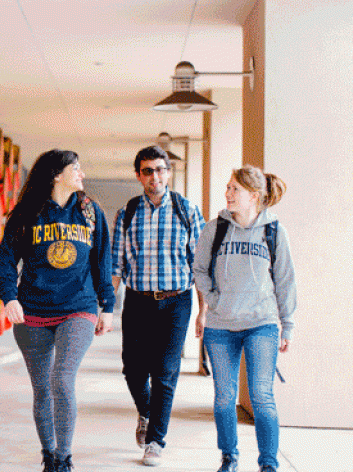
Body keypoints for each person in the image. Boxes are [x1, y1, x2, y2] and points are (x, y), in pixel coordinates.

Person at [0, 149, 116, 472]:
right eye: (75, 168)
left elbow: (102, 261)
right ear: (56, 175)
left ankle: (64, 458)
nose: (82, 174)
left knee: (62, 379)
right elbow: (6, 259)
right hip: (32, 312)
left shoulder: (90, 212)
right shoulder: (27, 214)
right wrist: (9, 297)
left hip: (78, 307)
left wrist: (108, 305)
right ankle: (49, 455)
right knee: (42, 389)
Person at [193, 166, 296, 472]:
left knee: (262, 397)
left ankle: (268, 464)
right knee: (224, 398)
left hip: (261, 324)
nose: (227, 193)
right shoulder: (215, 229)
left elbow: (285, 280)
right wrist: (213, 300)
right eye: (228, 187)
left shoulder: (274, 231)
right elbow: (199, 269)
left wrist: (288, 325)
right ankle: (229, 458)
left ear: (253, 196)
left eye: (234, 189)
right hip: (220, 327)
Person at [111, 145, 205, 466]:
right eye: (148, 171)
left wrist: (203, 311)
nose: (155, 177)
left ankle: (155, 441)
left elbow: (200, 266)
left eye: (160, 169)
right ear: (139, 175)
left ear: (168, 172)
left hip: (176, 302)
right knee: (133, 370)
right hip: (137, 301)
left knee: (165, 372)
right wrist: (105, 309)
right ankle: (146, 412)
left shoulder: (187, 211)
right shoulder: (127, 214)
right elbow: (116, 266)